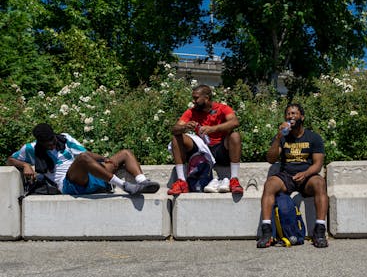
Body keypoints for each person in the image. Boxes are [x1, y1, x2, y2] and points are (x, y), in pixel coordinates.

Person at [7, 123, 160, 195]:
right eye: (48, 145)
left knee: (125, 153)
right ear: (40, 143)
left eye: (53, 141)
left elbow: (86, 154)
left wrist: (104, 158)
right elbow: (10, 160)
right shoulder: (30, 148)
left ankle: (142, 182)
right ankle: (124, 186)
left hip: (90, 175)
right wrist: (25, 165)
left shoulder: (64, 138)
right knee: (81, 159)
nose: (52, 146)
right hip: (70, 184)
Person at [256, 103, 329, 248]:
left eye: (294, 113)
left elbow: (318, 164)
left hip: (307, 177)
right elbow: (270, 159)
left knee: (320, 183)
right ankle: (267, 231)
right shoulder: (282, 136)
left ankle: (320, 230)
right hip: (286, 176)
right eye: (288, 114)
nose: (291, 116)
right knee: (270, 184)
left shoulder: (313, 137)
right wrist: (277, 138)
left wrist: (305, 173)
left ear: (302, 116)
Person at [167, 84, 243, 195]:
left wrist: (213, 129)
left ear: (206, 98)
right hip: (202, 151)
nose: (194, 101)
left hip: (220, 149)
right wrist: (185, 127)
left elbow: (235, 122)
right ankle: (181, 182)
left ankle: (234, 180)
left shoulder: (222, 108)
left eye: (196, 98)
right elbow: (175, 129)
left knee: (235, 136)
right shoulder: (191, 112)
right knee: (177, 137)